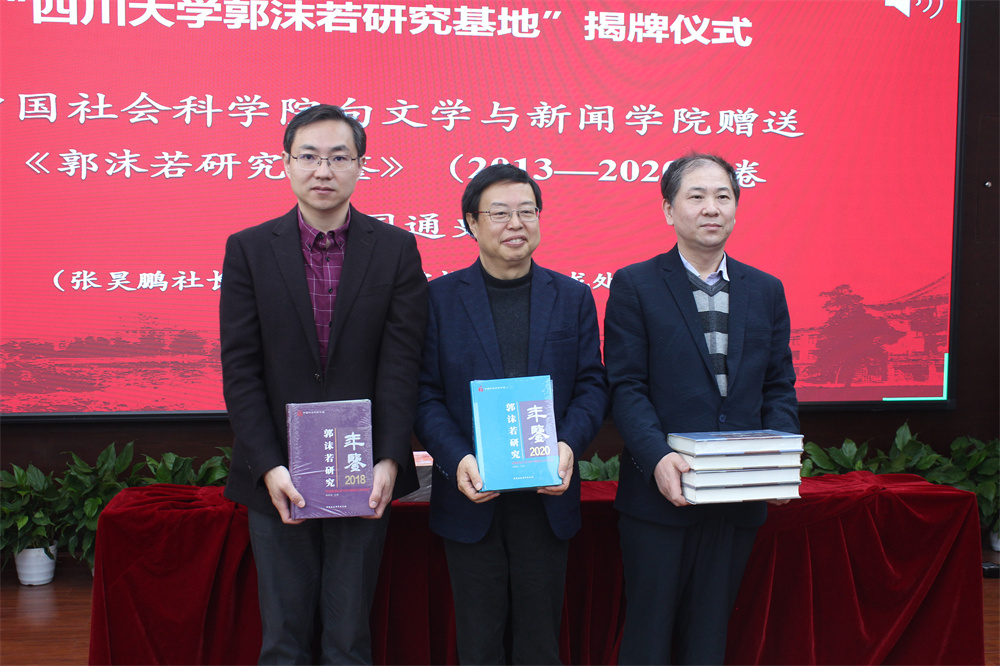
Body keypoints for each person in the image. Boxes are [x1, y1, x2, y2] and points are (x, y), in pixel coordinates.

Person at [219, 103, 428, 664]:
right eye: (309, 156)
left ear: (360, 165)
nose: (323, 170)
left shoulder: (396, 249)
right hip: (278, 474)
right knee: (283, 641)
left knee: (348, 639)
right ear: (286, 164)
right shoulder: (249, 249)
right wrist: (269, 466)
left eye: (339, 157)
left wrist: (388, 459)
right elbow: (240, 369)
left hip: (361, 471)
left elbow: (401, 364)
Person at [604, 153, 799, 664]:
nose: (711, 208)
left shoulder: (765, 289)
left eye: (723, 197)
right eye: (696, 197)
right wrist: (656, 457)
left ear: (735, 207)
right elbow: (626, 386)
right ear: (669, 210)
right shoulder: (636, 284)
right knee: (648, 638)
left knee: (710, 639)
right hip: (660, 498)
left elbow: (778, 386)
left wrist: (777, 464)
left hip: (738, 497)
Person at [414, 164, 608, 664]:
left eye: (527, 211)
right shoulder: (438, 300)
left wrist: (567, 445)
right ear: (471, 223)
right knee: (479, 642)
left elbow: (591, 385)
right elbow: (424, 395)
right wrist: (458, 459)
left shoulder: (571, 297)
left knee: (540, 642)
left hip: (546, 498)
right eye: (499, 213)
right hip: (472, 495)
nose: (516, 223)